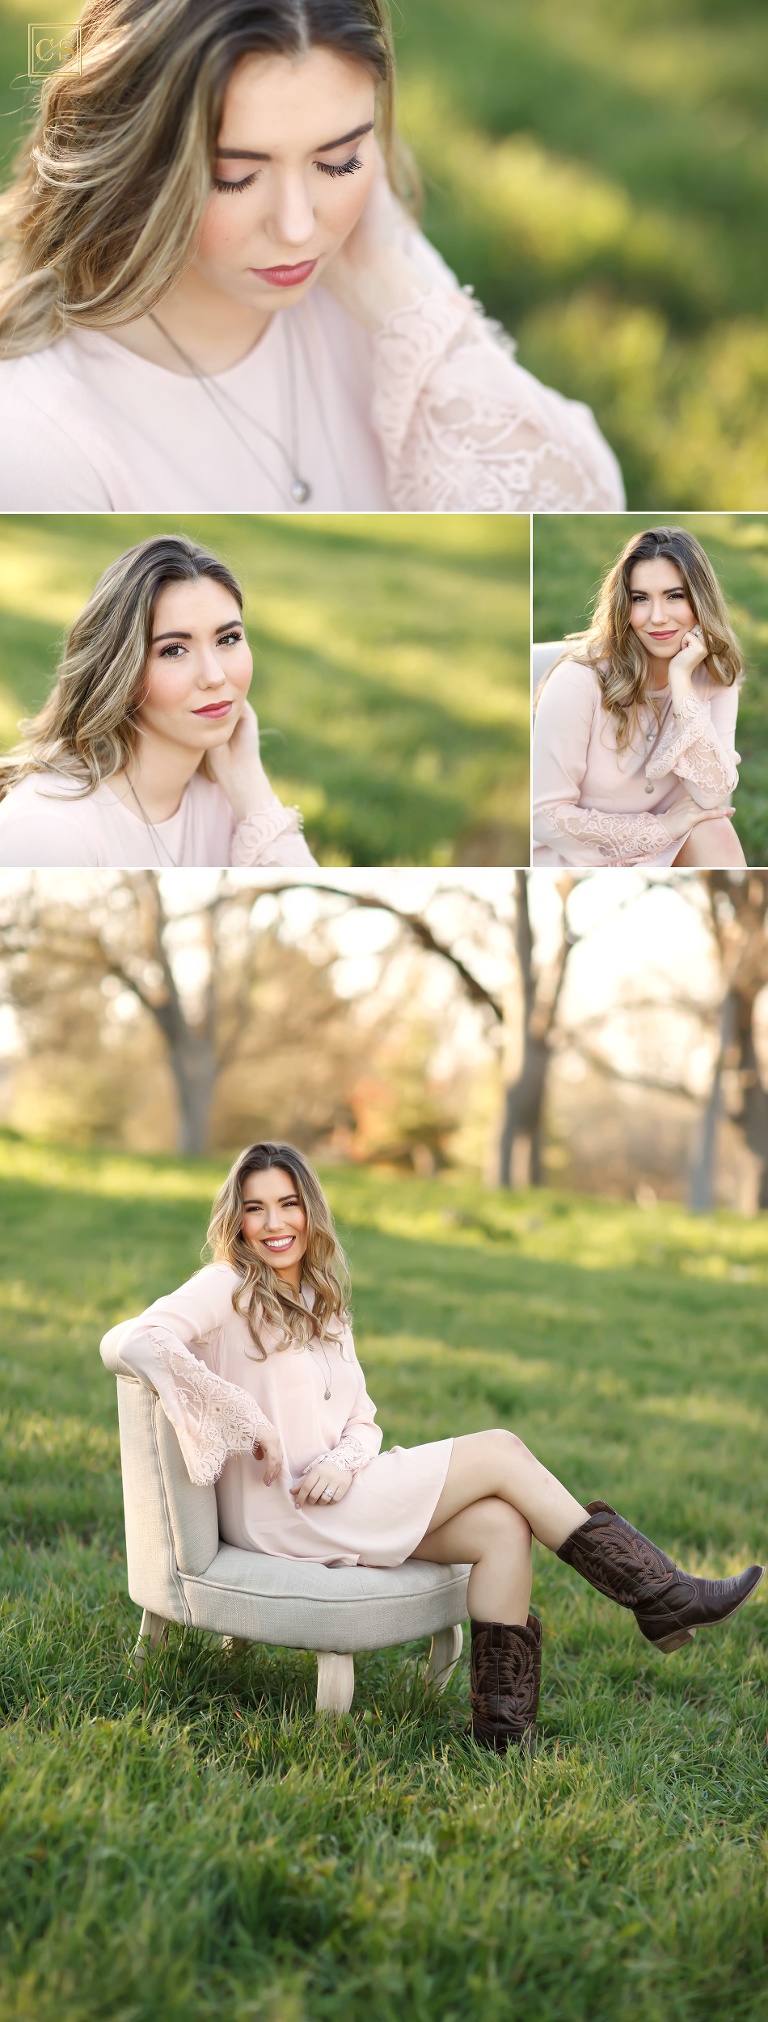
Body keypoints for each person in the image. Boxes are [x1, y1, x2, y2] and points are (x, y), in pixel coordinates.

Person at [100, 1140, 764, 1755]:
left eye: (288, 1204)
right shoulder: (227, 1287)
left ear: (309, 1211)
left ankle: (502, 1736)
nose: (275, 1223)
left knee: (503, 1526)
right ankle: (661, 1594)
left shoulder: (321, 1301)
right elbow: (130, 1341)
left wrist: (341, 1460)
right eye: (255, 1208)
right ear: (236, 1219)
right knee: (502, 1448)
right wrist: (249, 1421)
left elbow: (362, 1420)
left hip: (338, 1491)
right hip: (284, 1510)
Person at [0, 0, 624, 513]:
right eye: (234, 176)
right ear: (129, 162)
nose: (300, 229)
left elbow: (588, 502)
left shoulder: (367, 255)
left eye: (338, 160)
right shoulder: (41, 445)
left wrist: (391, 290)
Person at [0, 535, 317, 867]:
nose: (214, 676)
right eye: (174, 650)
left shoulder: (227, 795)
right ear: (120, 669)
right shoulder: (49, 833)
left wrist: (251, 787)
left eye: (228, 639)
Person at [532, 526, 747, 869]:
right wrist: (658, 828)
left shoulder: (717, 676)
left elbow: (712, 797)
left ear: (700, 600)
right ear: (624, 604)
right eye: (640, 598)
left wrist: (682, 681)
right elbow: (545, 816)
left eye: (675, 596)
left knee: (714, 829)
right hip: (582, 857)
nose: (657, 617)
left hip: (670, 849)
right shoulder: (577, 680)